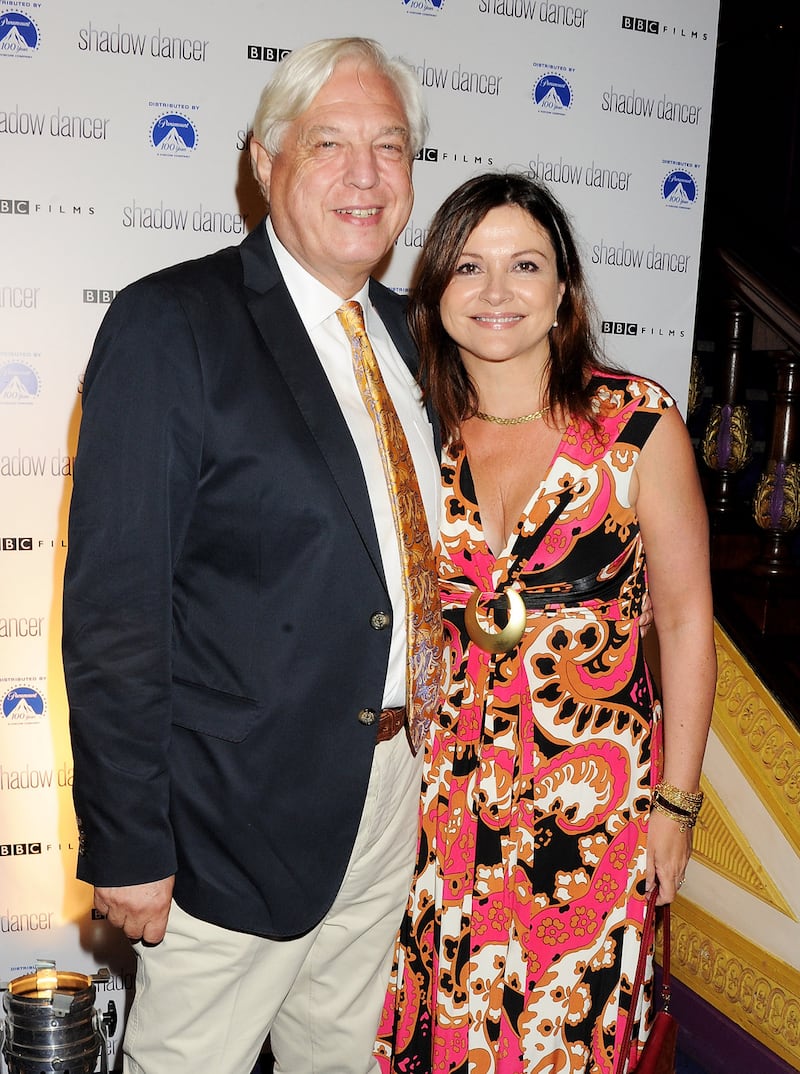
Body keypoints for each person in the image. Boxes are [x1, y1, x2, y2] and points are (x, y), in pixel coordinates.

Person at [62, 37, 443, 1074]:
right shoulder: (172, 323)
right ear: (265, 162)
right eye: (330, 144)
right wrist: (129, 841)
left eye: (390, 147)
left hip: (399, 794)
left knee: (344, 1060)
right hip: (229, 814)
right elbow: (115, 608)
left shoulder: (418, 337)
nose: (366, 174)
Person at [375, 172, 716, 1073]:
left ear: (563, 289)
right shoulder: (417, 432)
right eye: (468, 267)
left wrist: (677, 807)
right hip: (446, 798)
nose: (496, 291)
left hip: (595, 807)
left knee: (572, 1034)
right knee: (448, 1026)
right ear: (435, 290)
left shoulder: (635, 424)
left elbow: (687, 622)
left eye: (524, 265)